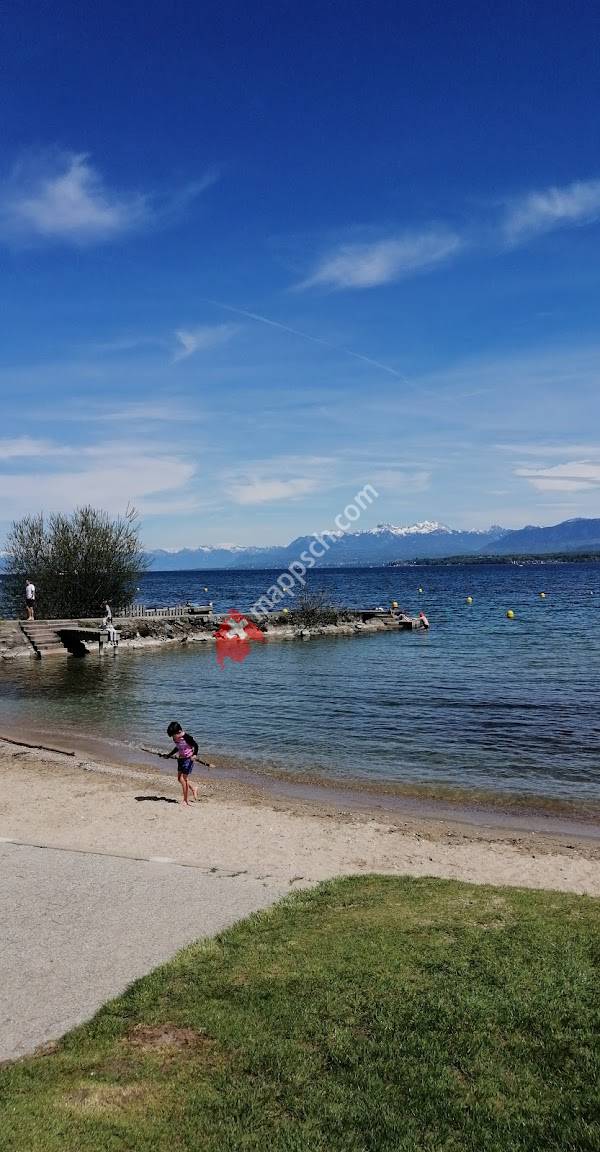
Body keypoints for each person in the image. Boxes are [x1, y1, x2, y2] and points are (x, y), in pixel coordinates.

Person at [163, 721, 199, 805]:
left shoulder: (186, 737)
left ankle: (185, 800)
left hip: (188, 759)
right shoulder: (175, 737)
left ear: (179, 731)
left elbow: (196, 745)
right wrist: (169, 755)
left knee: (184, 779)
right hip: (180, 759)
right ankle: (193, 788)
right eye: (172, 736)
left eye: (173, 735)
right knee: (179, 779)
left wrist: (194, 755)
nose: (173, 737)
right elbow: (178, 747)